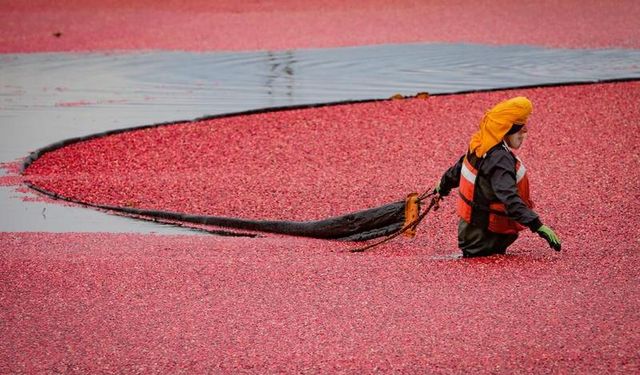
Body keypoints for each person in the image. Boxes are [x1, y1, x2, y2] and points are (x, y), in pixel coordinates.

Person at [434, 96, 561, 257]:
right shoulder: (499, 160)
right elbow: (509, 199)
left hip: (470, 231)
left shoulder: (480, 143)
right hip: (485, 237)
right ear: (507, 129)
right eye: (521, 127)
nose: (525, 131)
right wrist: (538, 226)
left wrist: (442, 186)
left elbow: (457, 170)